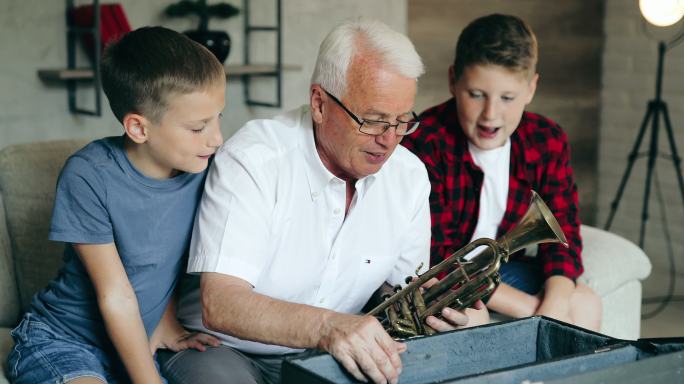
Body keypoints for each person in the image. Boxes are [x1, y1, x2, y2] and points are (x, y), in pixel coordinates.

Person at [158, 19, 488, 384]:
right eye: (374, 121)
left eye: (402, 121)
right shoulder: (255, 157)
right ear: (319, 104)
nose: (390, 140)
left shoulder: (409, 176)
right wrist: (329, 327)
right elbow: (221, 304)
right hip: (221, 348)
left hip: (326, 352)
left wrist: (444, 308)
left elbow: (399, 290)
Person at [6, 26, 225, 384]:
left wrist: (163, 323)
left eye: (218, 117)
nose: (216, 138)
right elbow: (116, 295)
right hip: (64, 341)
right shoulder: (88, 175)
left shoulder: (202, 168)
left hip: (134, 342)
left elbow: (164, 259)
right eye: (198, 126)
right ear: (139, 128)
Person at [401, 14, 602, 331]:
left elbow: (563, 240)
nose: (490, 115)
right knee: (472, 319)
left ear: (531, 88)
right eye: (476, 94)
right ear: (453, 81)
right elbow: (440, 257)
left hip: (498, 271)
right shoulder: (424, 142)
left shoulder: (546, 140)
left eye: (507, 98)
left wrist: (555, 305)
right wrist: (535, 314)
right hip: (442, 276)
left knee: (585, 301)